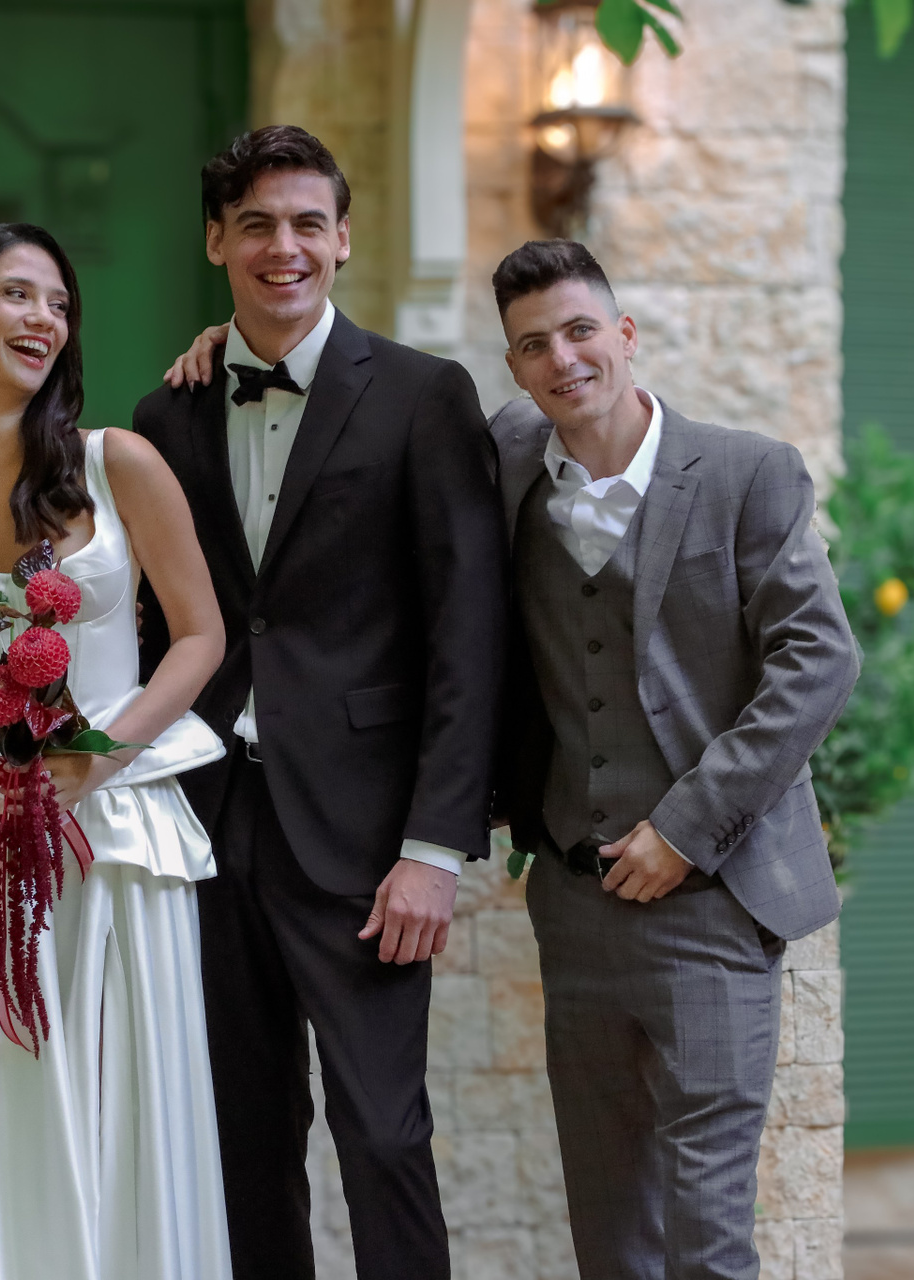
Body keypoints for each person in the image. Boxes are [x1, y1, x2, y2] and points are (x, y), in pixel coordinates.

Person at [141, 125, 508, 1280]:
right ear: (217, 241)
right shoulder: (165, 417)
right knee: (244, 1138)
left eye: (308, 223)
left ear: (344, 239)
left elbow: (469, 634)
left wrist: (436, 845)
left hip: (364, 835)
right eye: (256, 224)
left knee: (384, 1134)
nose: (283, 246)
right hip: (206, 826)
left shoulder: (423, 395)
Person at [0, 222, 233, 1280]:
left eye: (59, 304)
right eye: (18, 294)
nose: (44, 319)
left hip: (117, 831)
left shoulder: (121, 464)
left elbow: (200, 636)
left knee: (127, 1105)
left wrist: (105, 755)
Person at [487, 239, 856, 1279]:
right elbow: (376, 420)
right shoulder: (507, 457)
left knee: (707, 1236)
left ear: (625, 333)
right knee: (609, 1230)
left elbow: (819, 660)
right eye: (534, 345)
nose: (563, 359)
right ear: (514, 368)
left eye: (581, 330)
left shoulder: (745, 473)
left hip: (713, 901)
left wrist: (686, 831)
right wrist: (231, 343)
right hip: (574, 903)